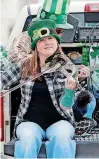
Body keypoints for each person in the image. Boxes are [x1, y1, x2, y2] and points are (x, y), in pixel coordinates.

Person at [1, 19, 77, 158]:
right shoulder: (25, 65)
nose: (47, 42)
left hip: (60, 121)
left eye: (50, 38)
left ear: (57, 42)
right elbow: (2, 80)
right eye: (42, 40)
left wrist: (69, 92)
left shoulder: (66, 66)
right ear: (35, 46)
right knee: (27, 140)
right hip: (29, 122)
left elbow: (66, 105)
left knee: (62, 138)